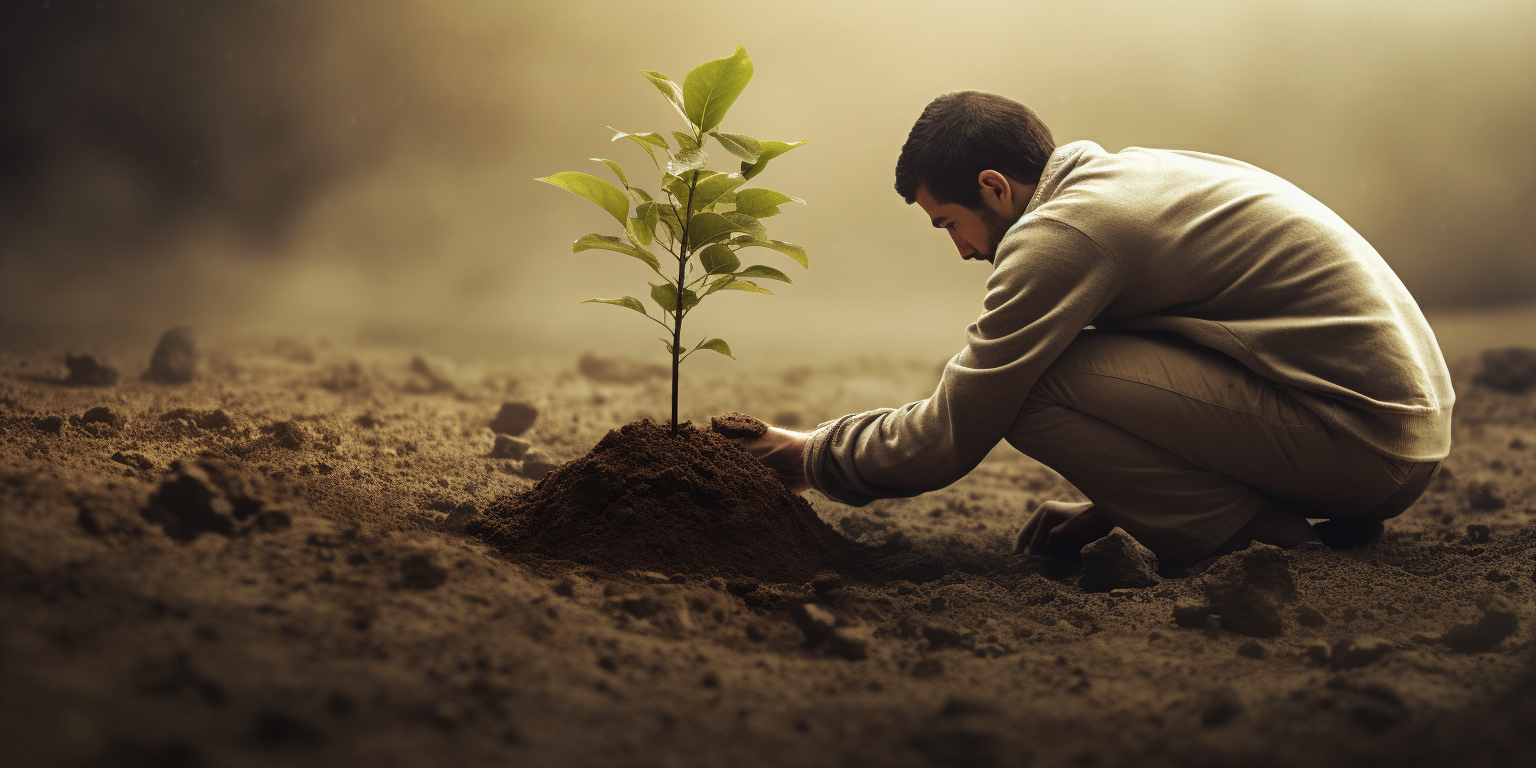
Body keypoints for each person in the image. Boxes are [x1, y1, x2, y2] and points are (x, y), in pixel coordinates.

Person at [739, 90, 1454, 565]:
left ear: (994, 187)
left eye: (949, 224)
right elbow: (1194, 350)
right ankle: (1302, 509)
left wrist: (810, 456)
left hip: (1363, 448)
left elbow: (950, 435)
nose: (960, 249)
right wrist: (1114, 502)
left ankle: (1258, 542)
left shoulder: (1069, 232)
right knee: (1069, 357)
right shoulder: (1138, 179)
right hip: (1402, 441)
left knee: (1032, 383)